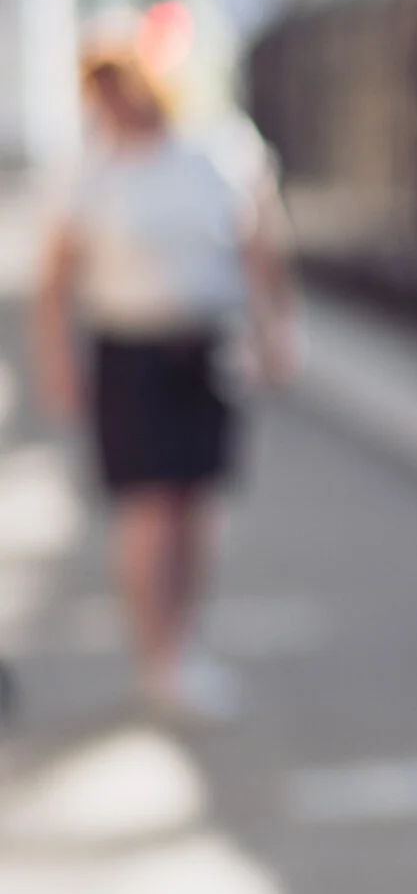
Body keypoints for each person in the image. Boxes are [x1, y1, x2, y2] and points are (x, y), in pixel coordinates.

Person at [33, 40, 296, 721]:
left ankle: (186, 643)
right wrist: (59, 365)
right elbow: (54, 283)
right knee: (149, 512)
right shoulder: (87, 171)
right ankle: (158, 658)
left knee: (198, 509)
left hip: (204, 349)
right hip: (130, 355)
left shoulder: (216, 150)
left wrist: (275, 330)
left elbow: (261, 246)